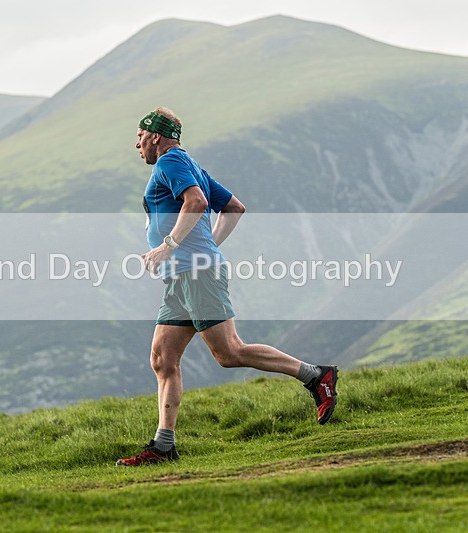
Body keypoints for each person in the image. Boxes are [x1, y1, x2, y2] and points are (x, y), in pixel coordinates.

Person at [116, 107, 338, 467]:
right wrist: (206, 247)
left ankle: (317, 376)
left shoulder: (169, 163)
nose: (136, 144)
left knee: (229, 353)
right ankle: (163, 446)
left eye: (139, 137)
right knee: (162, 358)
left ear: (155, 136)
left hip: (196, 273)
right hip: (182, 276)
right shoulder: (191, 166)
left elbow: (198, 202)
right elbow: (234, 207)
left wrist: (168, 246)